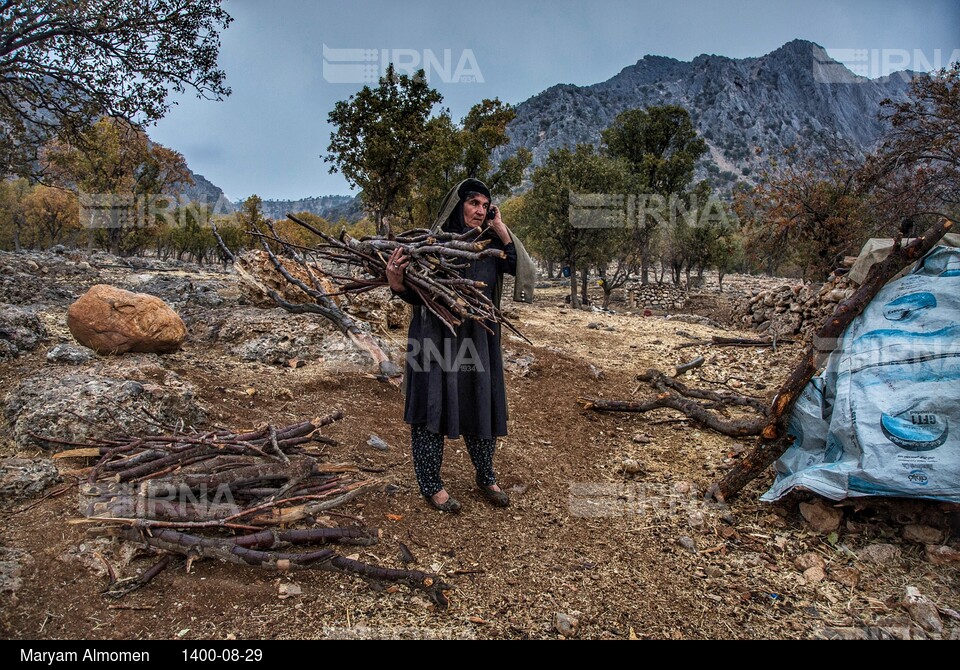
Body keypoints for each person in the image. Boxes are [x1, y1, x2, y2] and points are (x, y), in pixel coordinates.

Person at [386, 178, 535, 512]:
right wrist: (396, 283)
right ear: (458, 205)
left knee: (480, 398)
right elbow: (416, 290)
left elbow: (518, 267)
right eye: (474, 203)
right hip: (435, 336)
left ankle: (486, 476)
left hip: (479, 337)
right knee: (431, 403)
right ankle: (431, 485)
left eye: (486, 205)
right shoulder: (432, 245)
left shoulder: (490, 245)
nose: (480, 211)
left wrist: (501, 227)